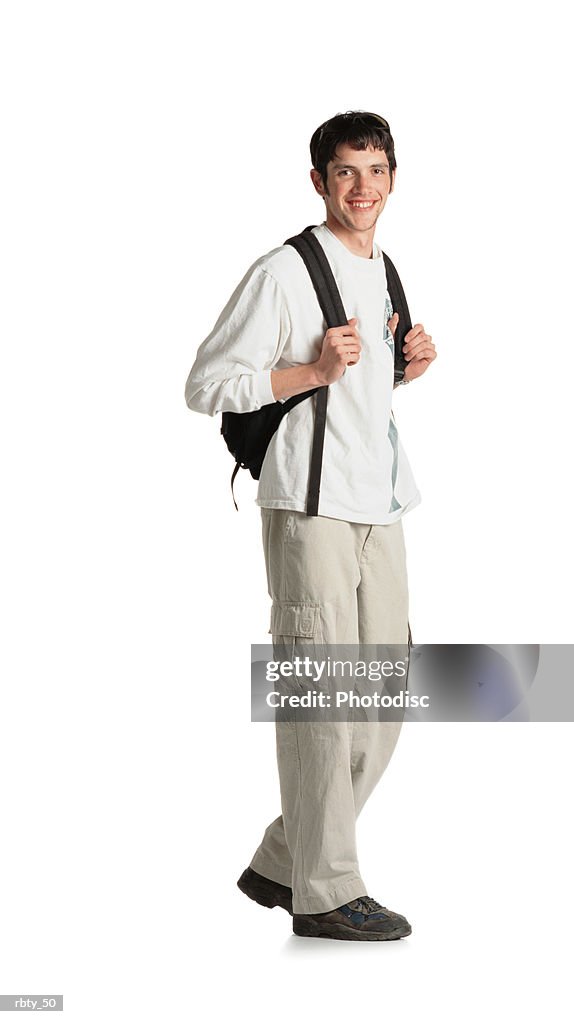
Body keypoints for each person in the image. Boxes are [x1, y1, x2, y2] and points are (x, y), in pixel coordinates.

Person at [185, 111, 436, 940]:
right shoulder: (284, 271)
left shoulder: (384, 267)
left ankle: (287, 858)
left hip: (380, 500)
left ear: (393, 178)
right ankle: (324, 892)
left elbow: (360, 393)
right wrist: (312, 369)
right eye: (343, 172)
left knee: (384, 696)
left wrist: (405, 367)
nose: (360, 189)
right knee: (322, 696)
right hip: (310, 505)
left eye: (374, 171)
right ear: (318, 181)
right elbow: (208, 384)